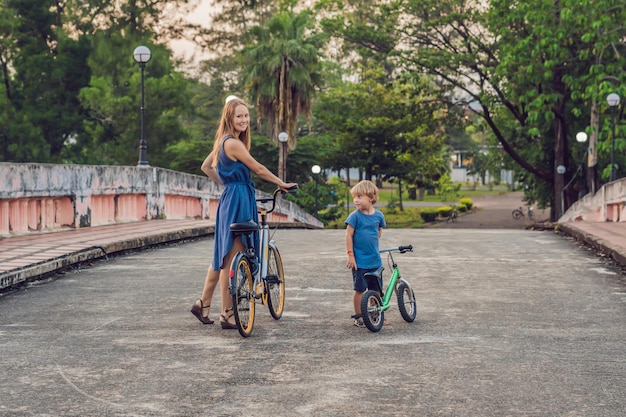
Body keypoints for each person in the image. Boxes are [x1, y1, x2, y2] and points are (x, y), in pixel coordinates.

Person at [191, 96, 296, 329]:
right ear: (229, 117)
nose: (244, 120)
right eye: (239, 116)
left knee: (223, 254)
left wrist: (227, 185)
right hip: (236, 198)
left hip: (233, 198)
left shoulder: (223, 142)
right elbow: (257, 168)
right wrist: (281, 183)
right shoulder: (233, 143)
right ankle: (227, 313)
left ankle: (203, 304)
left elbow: (206, 167)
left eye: (246, 116)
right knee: (230, 257)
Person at [345, 180, 386, 327]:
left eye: (359, 196)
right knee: (359, 290)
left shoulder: (379, 216)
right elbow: (348, 236)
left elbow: (379, 230)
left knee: (376, 290)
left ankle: (376, 314)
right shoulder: (354, 217)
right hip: (360, 262)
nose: (355, 200)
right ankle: (359, 316)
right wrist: (350, 255)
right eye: (354, 197)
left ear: (371, 197)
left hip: (375, 261)